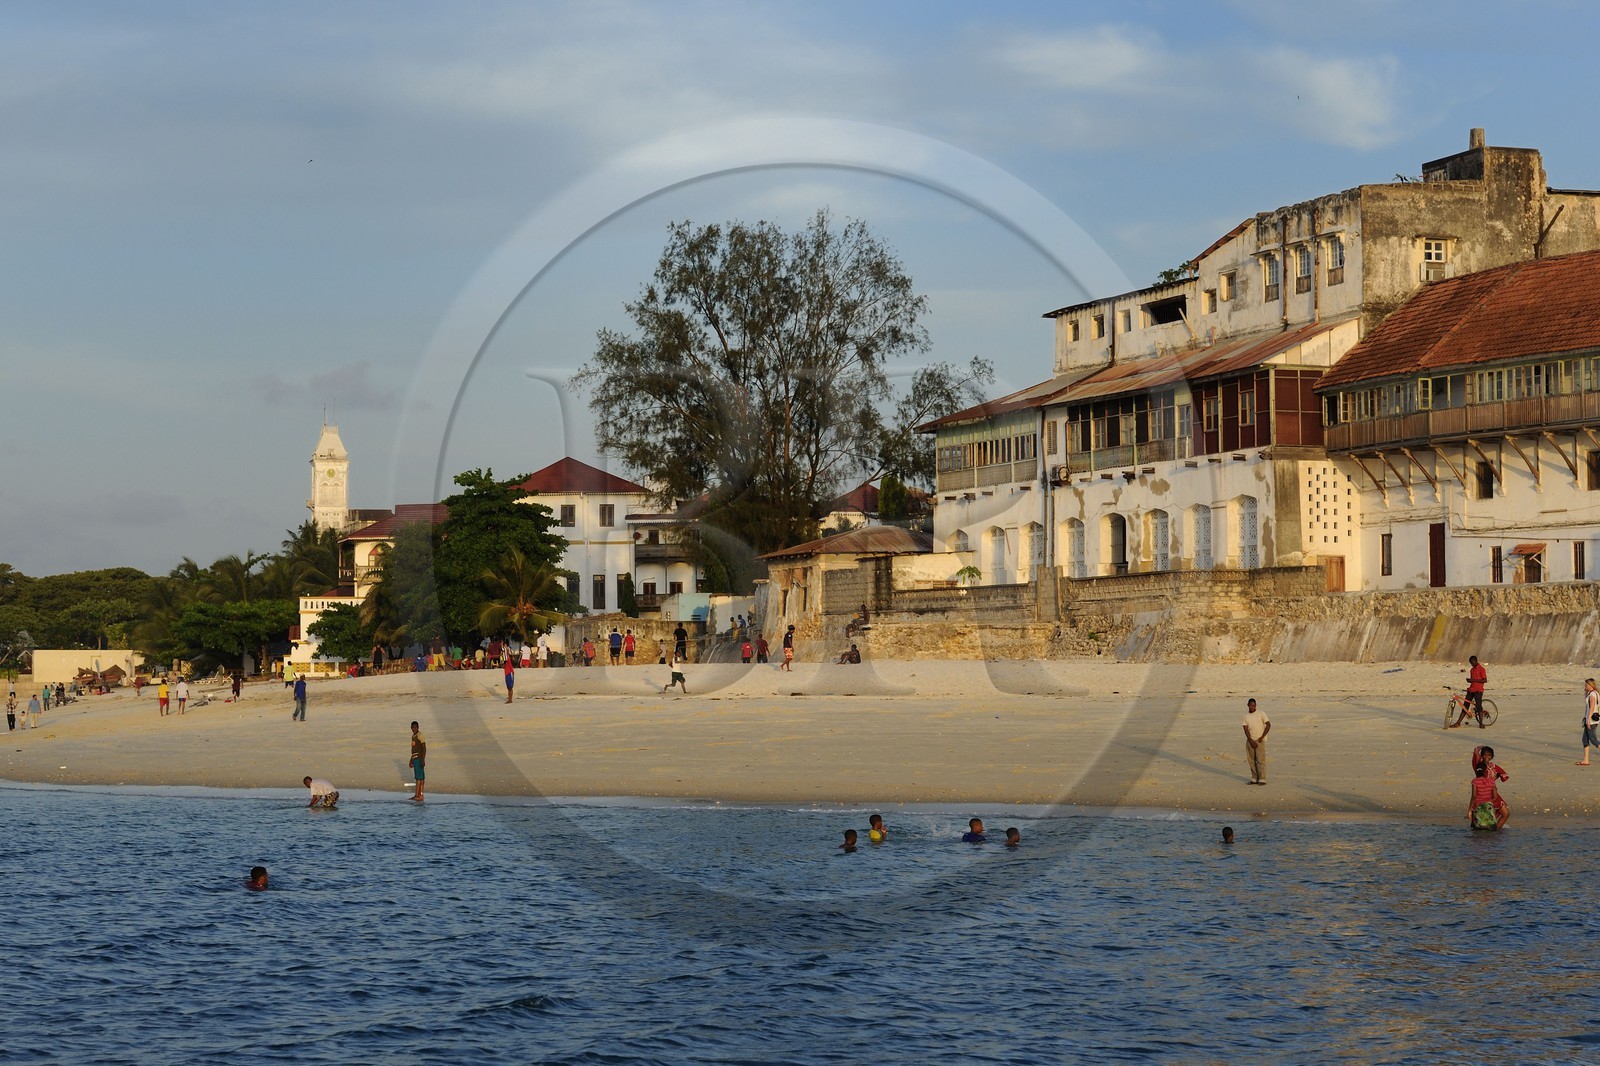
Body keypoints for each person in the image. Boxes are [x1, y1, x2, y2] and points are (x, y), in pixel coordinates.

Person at [1452, 655, 1489, 728]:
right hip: (1471, 689)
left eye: (1472, 663)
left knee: (1478, 706)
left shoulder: (1482, 669)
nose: (1472, 664)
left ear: (1476, 661)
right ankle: (1458, 722)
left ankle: (1481, 723)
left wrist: (1473, 680)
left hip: (1478, 690)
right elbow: (1473, 680)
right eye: (1471, 663)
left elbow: (1485, 680)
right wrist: (1470, 680)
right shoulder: (1472, 670)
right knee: (1465, 706)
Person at [1469, 762, 1508, 830]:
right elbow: (1495, 797)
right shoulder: (1491, 781)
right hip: (1488, 807)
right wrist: (1488, 802)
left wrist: (1470, 809)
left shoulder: (1475, 781)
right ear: (1485, 772)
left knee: (1477, 829)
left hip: (1478, 807)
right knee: (1490, 828)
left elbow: (1474, 796)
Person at [1242, 697, 1270, 785]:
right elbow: (1245, 729)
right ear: (1248, 705)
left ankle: (1262, 779)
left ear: (1256, 705)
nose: (1252, 707)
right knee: (1251, 760)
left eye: (1254, 705)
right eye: (1251, 705)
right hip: (1250, 741)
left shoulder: (1261, 713)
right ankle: (1254, 778)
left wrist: (1262, 737)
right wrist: (1250, 740)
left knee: (1260, 760)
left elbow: (1268, 725)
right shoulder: (1245, 716)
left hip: (1260, 740)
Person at [1581, 678, 1600, 766]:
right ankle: (1586, 760)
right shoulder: (1593, 693)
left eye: (1587, 685)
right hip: (1590, 719)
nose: (1585, 686)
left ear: (1591, 685)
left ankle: (1586, 760)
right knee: (1585, 739)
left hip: (1591, 720)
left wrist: (1588, 720)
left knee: (1593, 740)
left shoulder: (1593, 694)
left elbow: (1592, 707)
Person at [410, 721, 426, 802]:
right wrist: (411, 760)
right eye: (412, 728)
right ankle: (418, 794)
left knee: (419, 777)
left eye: (415, 727)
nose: (414, 729)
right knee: (419, 777)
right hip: (415, 758)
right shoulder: (413, 736)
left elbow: (424, 748)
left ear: (418, 727)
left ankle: (419, 795)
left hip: (419, 759)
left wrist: (423, 759)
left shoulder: (420, 735)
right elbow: (413, 750)